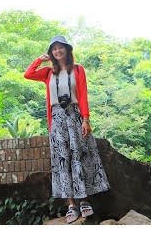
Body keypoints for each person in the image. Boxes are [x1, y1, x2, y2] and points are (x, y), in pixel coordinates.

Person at [24, 35, 110, 223]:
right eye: (53, 49)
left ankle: (84, 200)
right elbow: (28, 74)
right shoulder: (48, 73)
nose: (57, 51)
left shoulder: (78, 70)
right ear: (51, 53)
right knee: (62, 160)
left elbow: (83, 95)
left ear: (67, 50)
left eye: (60, 47)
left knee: (80, 156)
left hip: (75, 115)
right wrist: (40, 59)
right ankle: (71, 204)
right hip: (57, 118)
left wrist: (86, 119)